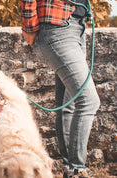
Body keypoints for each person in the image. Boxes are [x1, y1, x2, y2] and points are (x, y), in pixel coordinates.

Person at [19, 0, 100, 178]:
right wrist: (30, 27)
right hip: (56, 28)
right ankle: (78, 169)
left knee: (69, 103)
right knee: (88, 100)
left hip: (78, 26)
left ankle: (70, 170)